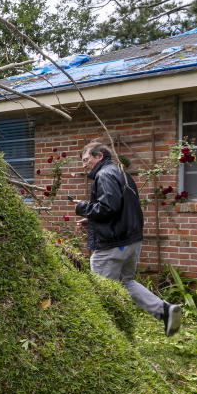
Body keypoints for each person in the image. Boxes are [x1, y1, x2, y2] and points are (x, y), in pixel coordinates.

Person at [72, 141, 181, 336]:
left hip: (113, 245)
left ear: (99, 156)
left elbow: (107, 207)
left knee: (100, 289)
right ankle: (164, 311)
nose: (83, 164)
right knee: (125, 282)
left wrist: (82, 206)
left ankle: (103, 335)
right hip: (131, 241)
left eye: (86, 159)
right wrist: (93, 222)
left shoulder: (104, 174)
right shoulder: (122, 174)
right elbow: (118, 209)